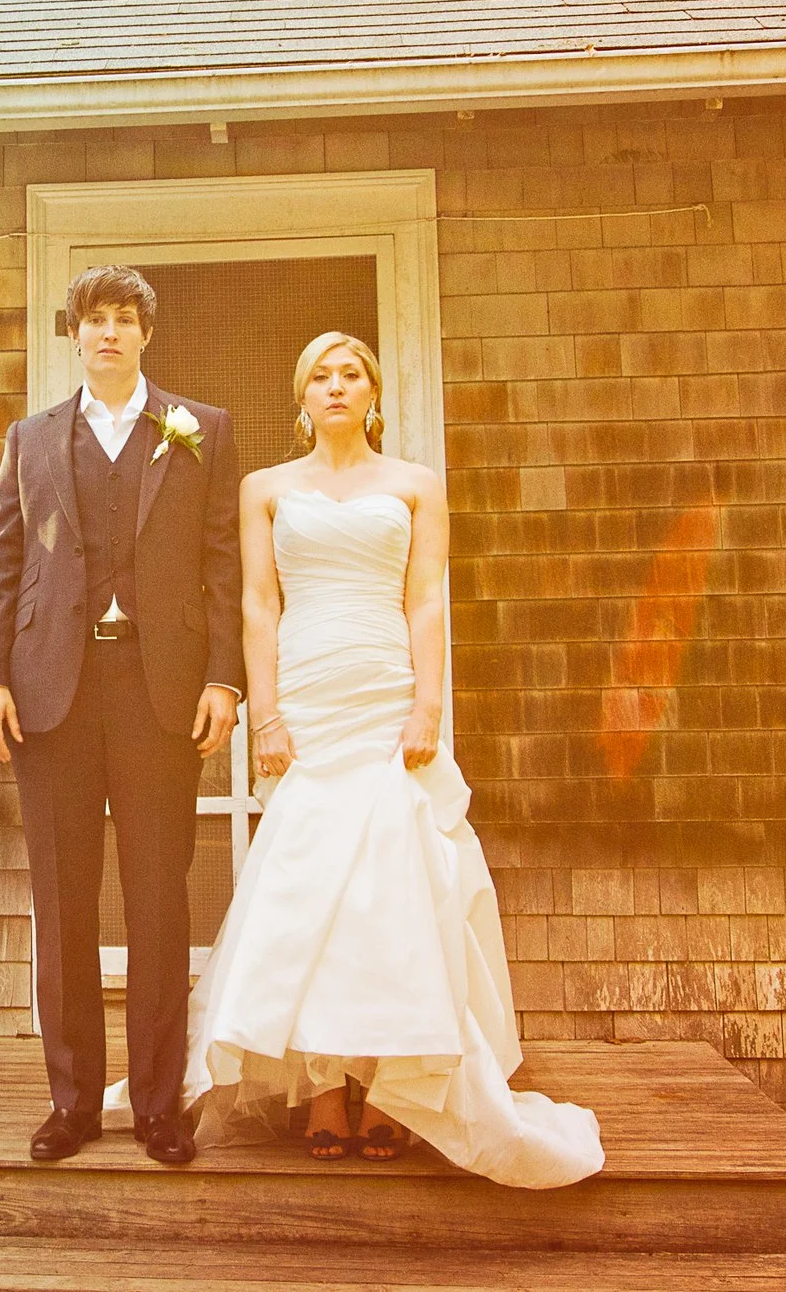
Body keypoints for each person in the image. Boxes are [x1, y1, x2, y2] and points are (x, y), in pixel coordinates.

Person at [173, 330, 605, 1184]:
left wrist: (427, 707)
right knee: (311, 886)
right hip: (309, 694)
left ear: (373, 393)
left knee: (388, 892)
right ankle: (325, 1086)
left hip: (382, 693)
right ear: (301, 401)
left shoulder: (414, 486)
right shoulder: (265, 488)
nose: (336, 387)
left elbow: (425, 601)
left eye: (352, 375)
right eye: (320, 377)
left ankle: (389, 1086)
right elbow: (259, 604)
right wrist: (267, 719)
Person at [0, 265, 244, 1167]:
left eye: (126, 319)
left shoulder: (202, 431)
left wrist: (223, 680)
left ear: (146, 335)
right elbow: (2, 566)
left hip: (161, 694)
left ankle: (160, 1107)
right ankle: (73, 1103)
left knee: (159, 903)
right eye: (96, 319)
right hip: (54, 694)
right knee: (64, 902)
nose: (111, 333)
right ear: (75, 335)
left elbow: (225, 564)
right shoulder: (32, 438)